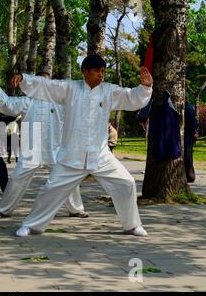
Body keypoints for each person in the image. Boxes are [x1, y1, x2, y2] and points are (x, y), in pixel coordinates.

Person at [9, 54, 153, 237]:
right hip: (71, 155)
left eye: (103, 71)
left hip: (101, 155)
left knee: (126, 182)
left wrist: (145, 87)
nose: (101, 75)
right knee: (50, 189)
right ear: (85, 71)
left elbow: (130, 97)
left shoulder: (109, 91)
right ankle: (31, 225)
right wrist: (24, 79)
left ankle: (132, 225)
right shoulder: (70, 88)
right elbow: (47, 85)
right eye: (96, 71)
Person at [0, 80, 88, 220]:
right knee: (17, 178)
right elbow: (7, 104)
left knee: (66, 177)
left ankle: (76, 209)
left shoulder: (61, 102)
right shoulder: (28, 101)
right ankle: (4, 210)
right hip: (31, 149)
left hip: (55, 149)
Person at [184, 99, 199, 183]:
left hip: (187, 134)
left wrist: (194, 132)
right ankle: (189, 175)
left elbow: (192, 122)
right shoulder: (189, 107)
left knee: (187, 155)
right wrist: (194, 132)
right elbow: (193, 122)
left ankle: (189, 175)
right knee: (188, 155)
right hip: (188, 134)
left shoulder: (187, 108)